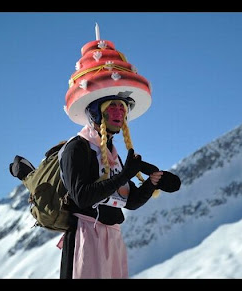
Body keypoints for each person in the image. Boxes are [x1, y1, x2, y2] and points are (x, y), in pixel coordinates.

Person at [58, 95, 164, 279]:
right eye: (112, 106)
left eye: (122, 107)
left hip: (113, 237)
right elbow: (81, 196)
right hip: (86, 236)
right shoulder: (76, 148)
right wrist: (124, 175)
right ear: (96, 111)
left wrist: (152, 182)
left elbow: (128, 201)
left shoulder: (112, 154)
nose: (119, 111)